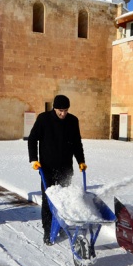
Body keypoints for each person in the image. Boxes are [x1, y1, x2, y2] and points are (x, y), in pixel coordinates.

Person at [27, 95, 87, 246]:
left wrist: (81, 161)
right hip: (46, 168)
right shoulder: (43, 119)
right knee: (48, 200)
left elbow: (77, 143)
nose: (63, 114)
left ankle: (59, 225)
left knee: (63, 199)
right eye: (60, 110)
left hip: (65, 168)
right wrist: (34, 159)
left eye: (66, 110)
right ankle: (48, 230)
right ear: (54, 108)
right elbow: (32, 139)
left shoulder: (73, 121)